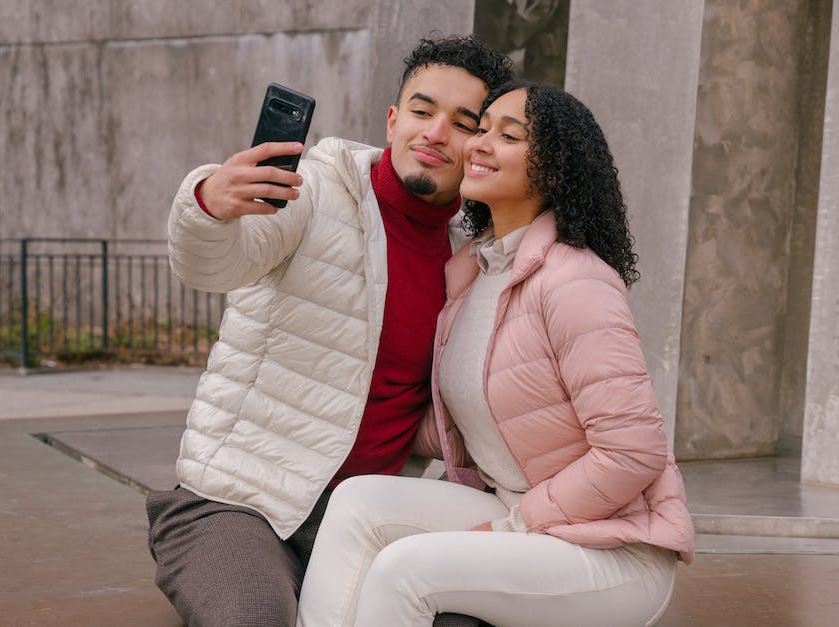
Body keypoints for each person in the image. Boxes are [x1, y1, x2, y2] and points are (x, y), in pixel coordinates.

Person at [295, 83, 695, 627]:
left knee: (403, 570)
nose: (479, 143)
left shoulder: (575, 280)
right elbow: (474, 420)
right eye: (481, 129)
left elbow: (633, 454)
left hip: (612, 547)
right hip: (516, 507)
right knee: (357, 501)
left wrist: (518, 524)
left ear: (553, 173)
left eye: (508, 136)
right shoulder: (474, 273)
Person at [146, 35, 513, 627]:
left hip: (358, 519)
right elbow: (217, 263)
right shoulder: (317, 191)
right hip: (236, 503)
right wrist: (209, 203)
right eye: (422, 111)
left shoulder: (467, 261)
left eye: (462, 123)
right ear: (393, 121)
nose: (436, 133)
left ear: (482, 147)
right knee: (254, 617)